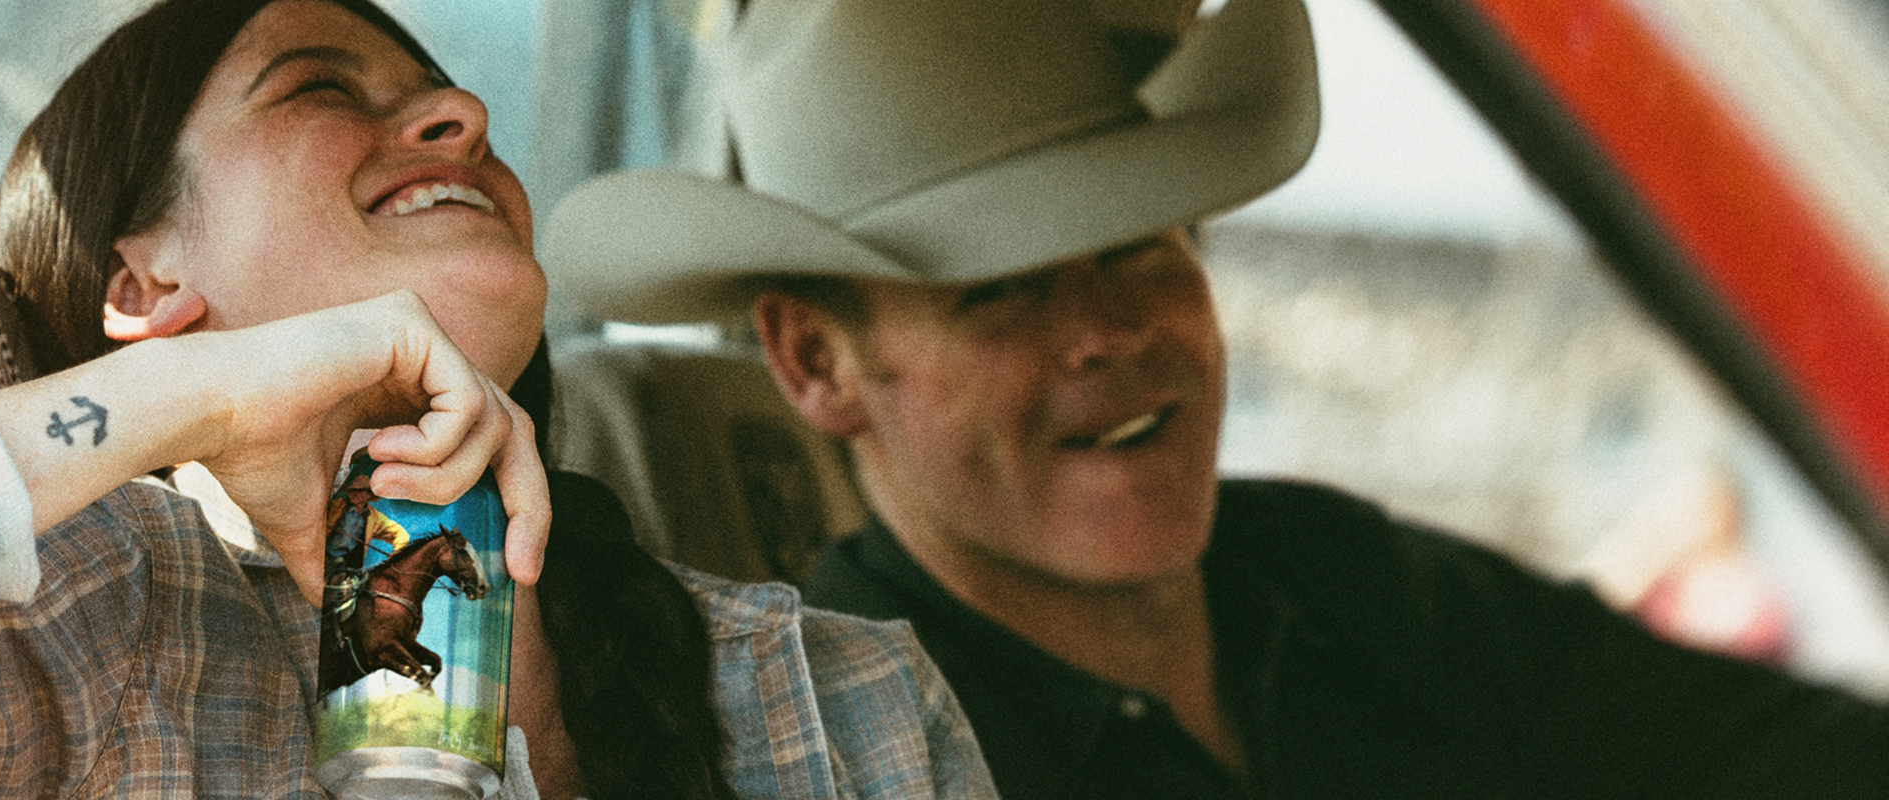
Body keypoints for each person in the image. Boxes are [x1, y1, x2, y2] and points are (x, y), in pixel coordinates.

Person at [543, 0, 1889, 796]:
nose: (1111, 328)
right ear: (817, 365)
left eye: (1139, 244)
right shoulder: (846, 738)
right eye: (998, 291)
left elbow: (1776, 752)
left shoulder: (1334, 578)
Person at [0, 1, 996, 798]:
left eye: (445, 89)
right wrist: (205, 394)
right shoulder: (84, 613)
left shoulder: (845, 693)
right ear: (140, 288)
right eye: (317, 87)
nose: (469, 115)